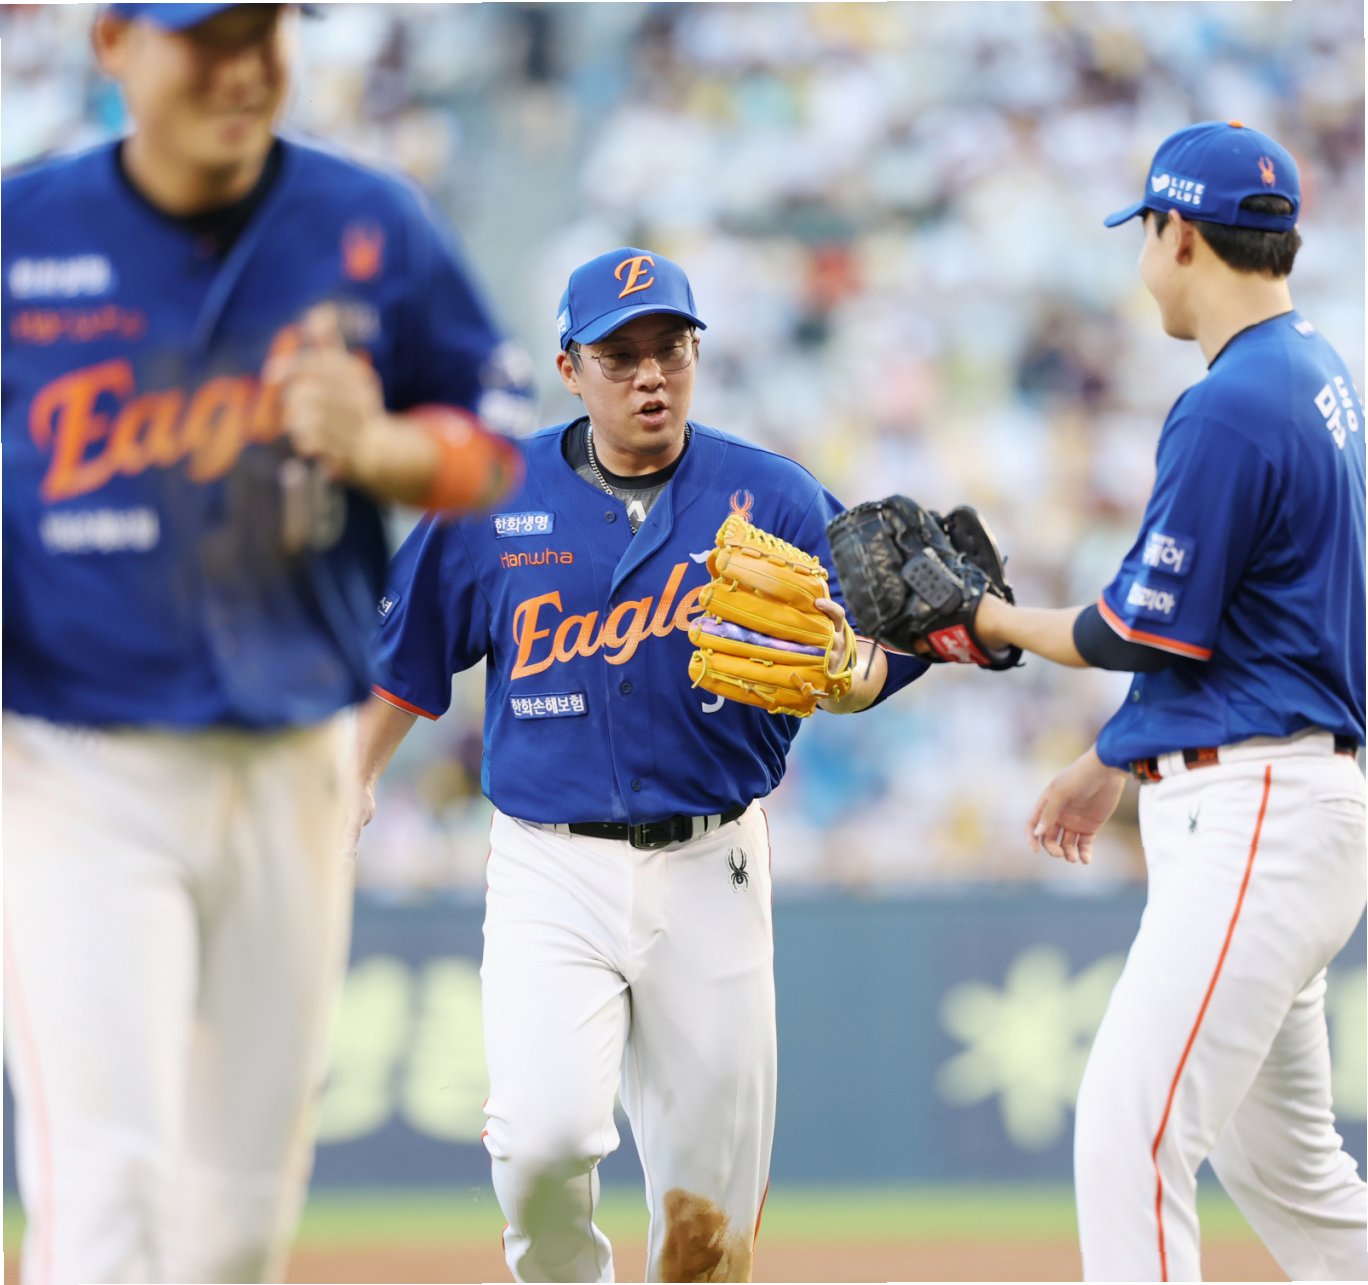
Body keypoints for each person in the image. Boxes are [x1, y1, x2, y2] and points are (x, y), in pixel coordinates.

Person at [2, 5, 531, 1283]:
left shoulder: (370, 221)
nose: (243, 66)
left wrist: (385, 447)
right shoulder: (24, 232)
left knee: (238, 1225)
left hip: (297, 754)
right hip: (75, 765)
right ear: (114, 43)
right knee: (110, 1190)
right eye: (206, 34)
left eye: (265, 27)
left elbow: (494, 441)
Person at [354, 246, 929, 1283]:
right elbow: (404, 658)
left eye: (671, 348)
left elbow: (902, 623)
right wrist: (350, 778)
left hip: (714, 862)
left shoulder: (774, 494)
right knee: (539, 1144)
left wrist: (863, 669)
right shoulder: (494, 494)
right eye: (620, 356)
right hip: (548, 864)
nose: (651, 375)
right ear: (570, 369)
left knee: (708, 1216)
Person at [965, 122, 1367, 1280]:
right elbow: (1238, 627)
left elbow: (1133, 627)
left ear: (1179, 234)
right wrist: (1118, 752)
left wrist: (987, 620)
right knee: (1290, 1180)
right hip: (1280, 795)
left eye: (1145, 235)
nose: (1144, 262)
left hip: (1259, 814)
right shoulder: (1312, 370)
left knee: (1126, 1136)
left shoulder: (1234, 399)